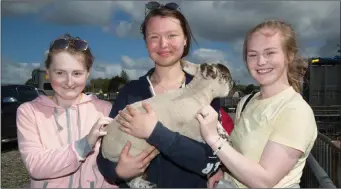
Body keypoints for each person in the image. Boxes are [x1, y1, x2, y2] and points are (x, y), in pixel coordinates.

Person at [97, 2, 227, 188]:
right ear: (146, 43)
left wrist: (156, 133)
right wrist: (117, 171)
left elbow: (210, 161)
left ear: (185, 40)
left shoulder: (205, 93)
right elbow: (103, 156)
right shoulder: (131, 93)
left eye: (172, 35)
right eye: (154, 37)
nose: (163, 44)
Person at [197, 20, 318, 188]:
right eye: (253, 55)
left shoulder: (296, 111)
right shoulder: (247, 101)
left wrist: (213, 138)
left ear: (289, 56)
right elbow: (239, 153)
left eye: (270, 53)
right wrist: (224, 171)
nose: (260, 62)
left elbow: (264, 181)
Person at [16, 34, 118, 188]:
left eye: (77, 73)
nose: (69, 82)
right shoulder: (28, 112)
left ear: (88, 73)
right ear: (48, 73)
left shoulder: (105, 109)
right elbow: (35, 166)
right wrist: (84, 145)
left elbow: (112, 163)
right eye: (60, 73)